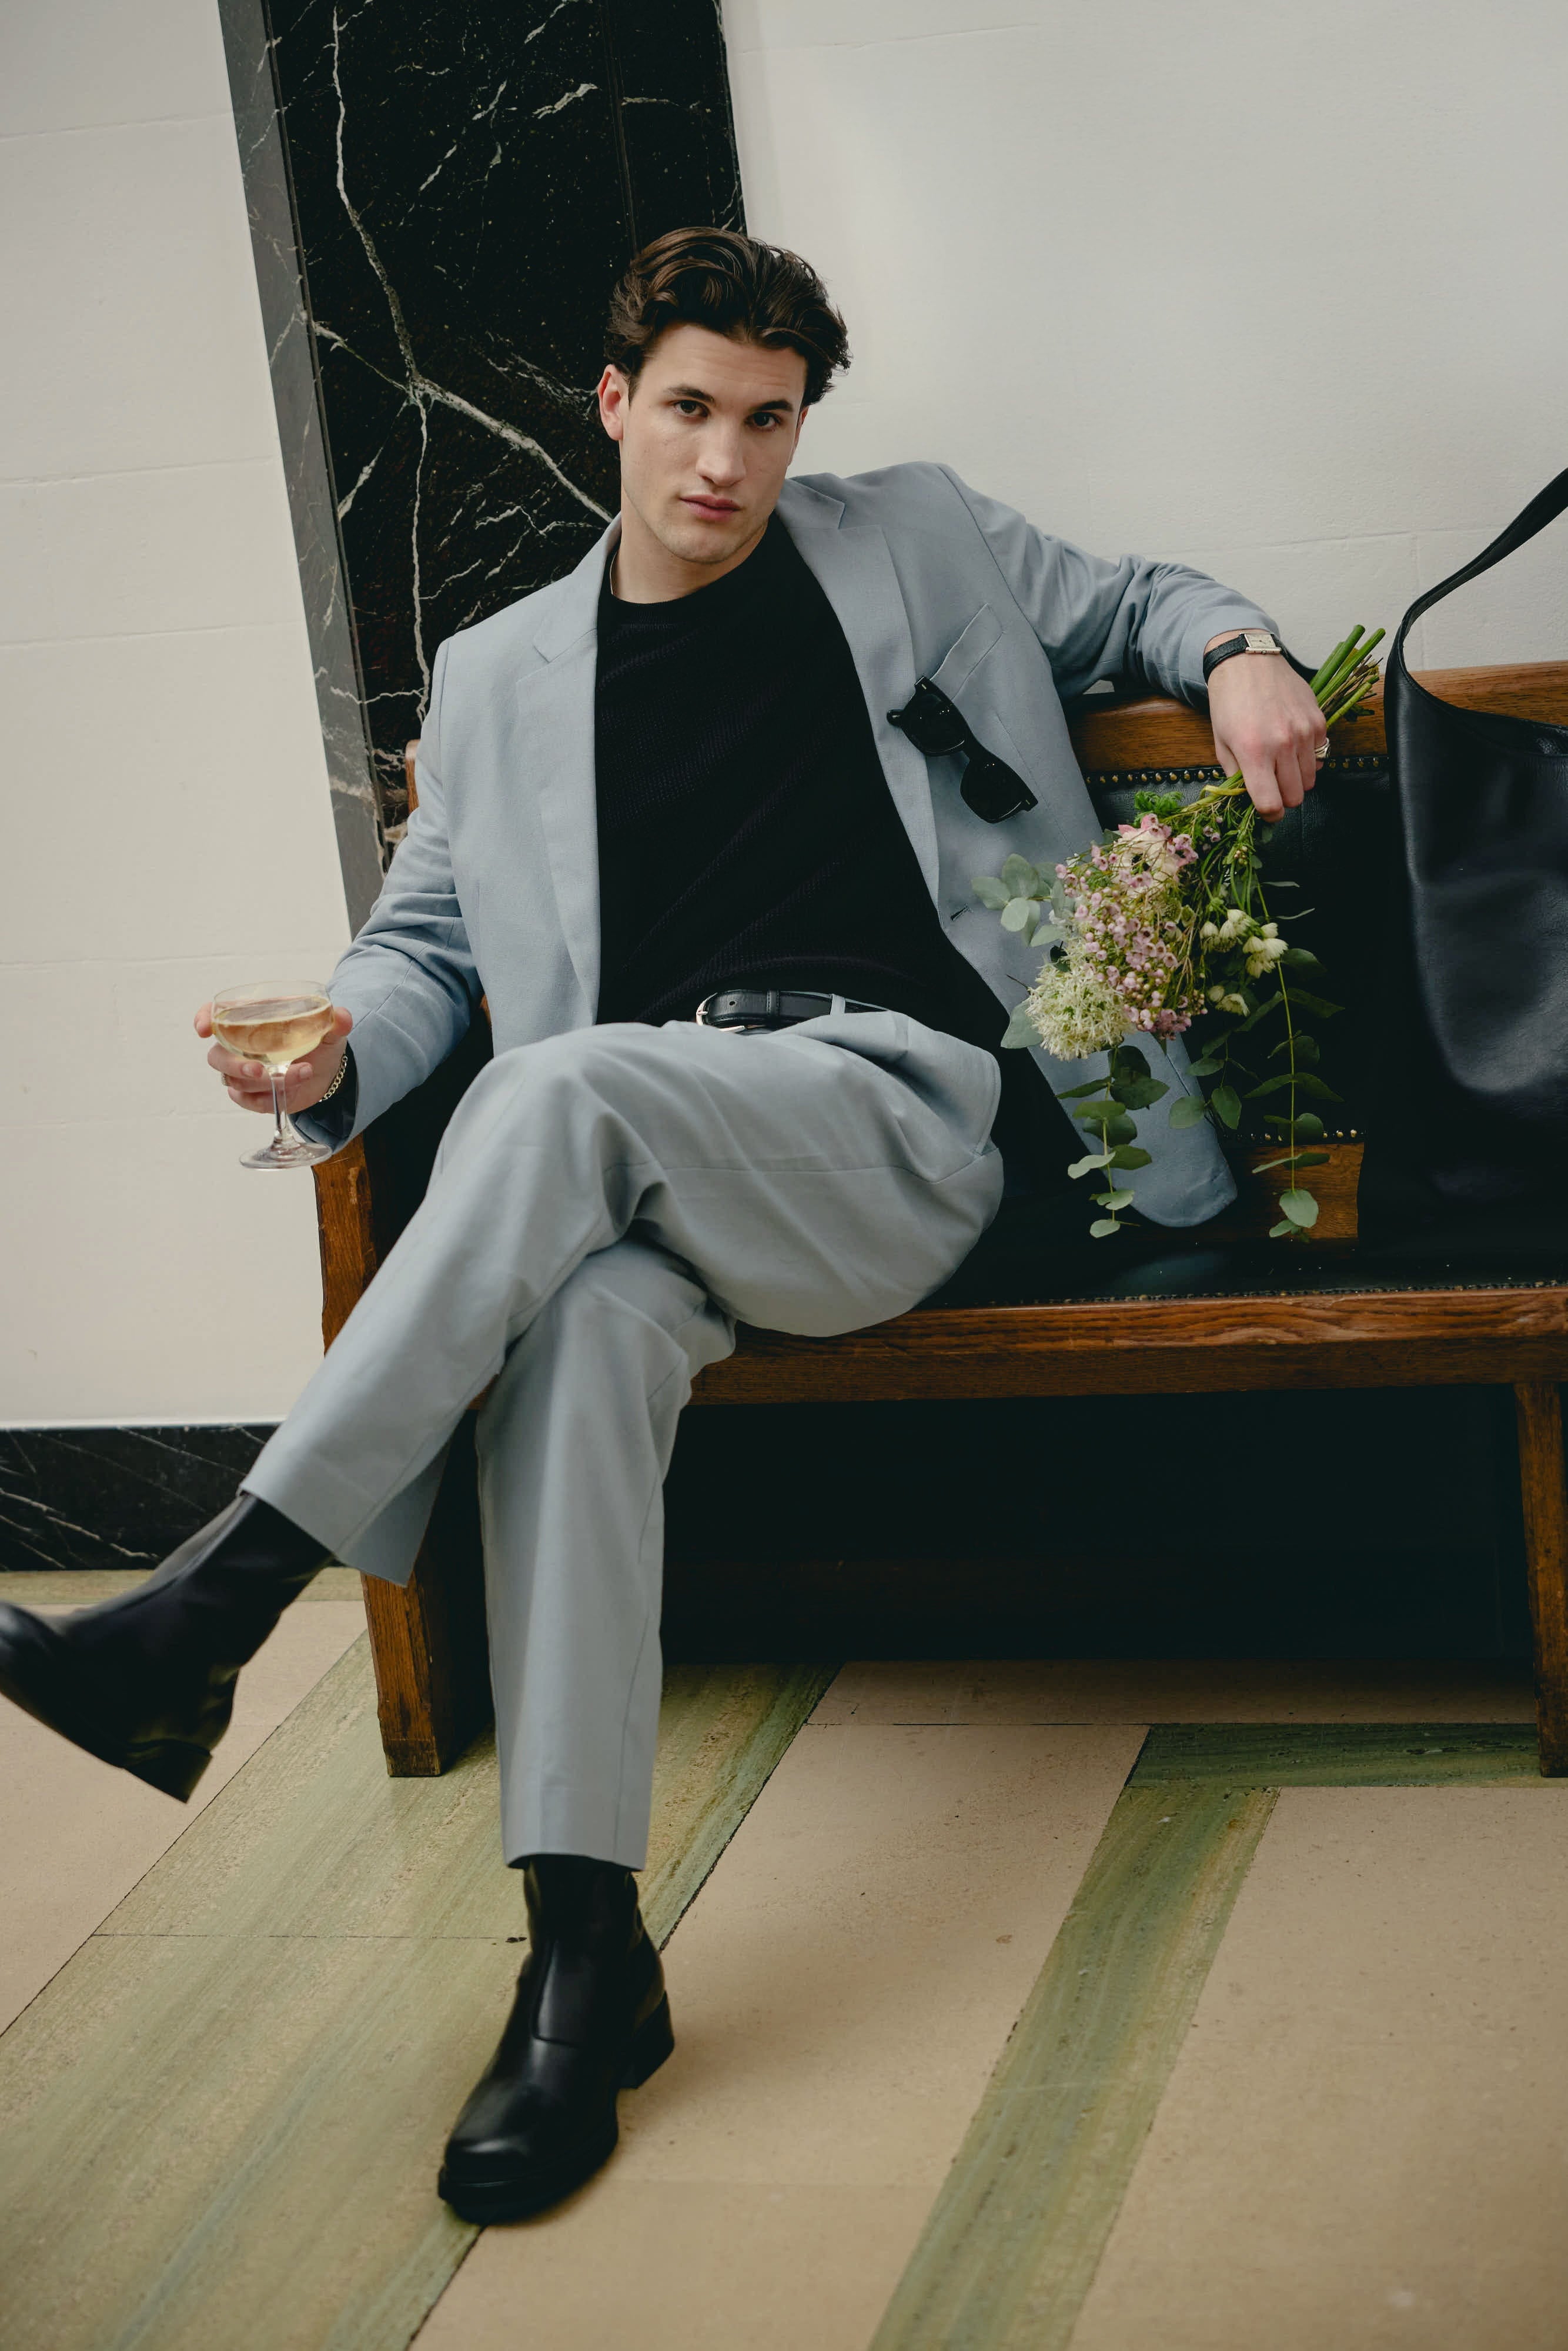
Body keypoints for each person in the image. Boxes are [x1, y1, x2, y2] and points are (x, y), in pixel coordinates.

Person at [0, 228, 1326, 2223]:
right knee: (585, 1332)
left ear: (806, 423)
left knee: (557, 1096)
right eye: (691, 408)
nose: (727, 459)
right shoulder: (504, 674)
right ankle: (581, 1955)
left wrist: (1233, 654)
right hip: (660, 1158)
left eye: (769, 419)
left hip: (913, 1130)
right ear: (614, 404)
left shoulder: (918, 543)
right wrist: (327, 1062)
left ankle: (214, 1600)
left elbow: (1134, 599)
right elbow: (425, 949)